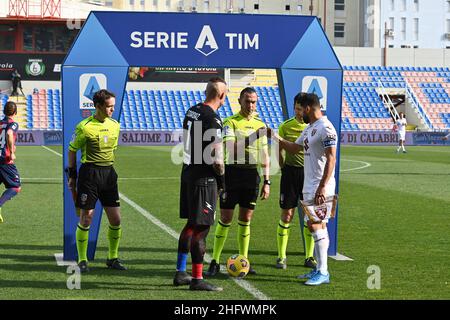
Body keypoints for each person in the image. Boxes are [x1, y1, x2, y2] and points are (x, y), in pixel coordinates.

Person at [269, 93, 338, 286]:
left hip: (320, 186)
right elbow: (294, 148)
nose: (300, 114)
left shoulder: (326, 127)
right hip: (310, 185)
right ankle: (319, 269)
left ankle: (323, 271)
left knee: (316, 225)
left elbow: (332, 158)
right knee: (315, 225)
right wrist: (274, 136)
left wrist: (323, 186)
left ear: (308, 108)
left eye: (301, 109)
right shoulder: (310, 128)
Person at [206, 87, 270, 277]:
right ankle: (215, 261)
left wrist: (267, 181)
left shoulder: (260, 123)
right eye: (247, 101)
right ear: (240, 101)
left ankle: (244, 261)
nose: (251, 105)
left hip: (252, 175)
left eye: (254, 102)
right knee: (226, 218)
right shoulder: (230, 122)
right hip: (232, 174)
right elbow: (232, 150)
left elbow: (265, 155)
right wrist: (255, 136)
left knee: (246, 219)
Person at [174, 77, 228, 292]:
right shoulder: (213, 119)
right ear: (221, 96)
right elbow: (216, 156)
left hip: (188, 172)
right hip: (204, 180)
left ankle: (180, 272)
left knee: (190, 224)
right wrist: (223, 181)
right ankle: (197, 279)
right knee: (202, 228)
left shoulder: (192, 111)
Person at [67, 89, 125, 273]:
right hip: (89, 174)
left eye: (113, 106)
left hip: (108, 174)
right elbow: (71, 150)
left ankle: (112, 258)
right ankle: (82, 259)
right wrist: (72, 176)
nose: (112, 110)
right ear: (98, 106)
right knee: (86, 219)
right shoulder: (83, 127)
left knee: (116, 220)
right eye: (109, 106)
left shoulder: (115, 125)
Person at [275, 93, 315, 270]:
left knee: (309, 215)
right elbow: (279, 150)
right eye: (296, 108)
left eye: (301, 109)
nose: (299, 112)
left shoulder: (315, 126)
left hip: (309, 174)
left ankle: (309, 257)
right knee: (287, 215)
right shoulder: (286, 126)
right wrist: (283, 167)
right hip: (290, 174)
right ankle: (281, 257)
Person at [0, 101, 22, 223]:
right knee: (15, 187)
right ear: (15, 112)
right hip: (5, 160)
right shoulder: (12, 124)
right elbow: (9, 134)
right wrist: (12, 151)